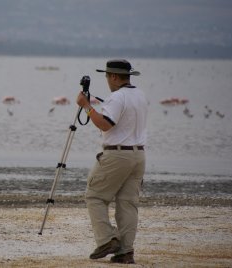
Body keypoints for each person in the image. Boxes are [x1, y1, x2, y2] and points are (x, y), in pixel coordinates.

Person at [76, 59, 147, 264]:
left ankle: (108, 239)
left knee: (95, 196)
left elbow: (105, 125)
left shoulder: (117, 97)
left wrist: (86, 106)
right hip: (139, 155)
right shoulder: (140, 95)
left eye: (107, 75)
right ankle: (126, 251)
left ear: (114, 76)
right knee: (128, 204)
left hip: (117, 154)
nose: (107, 79)